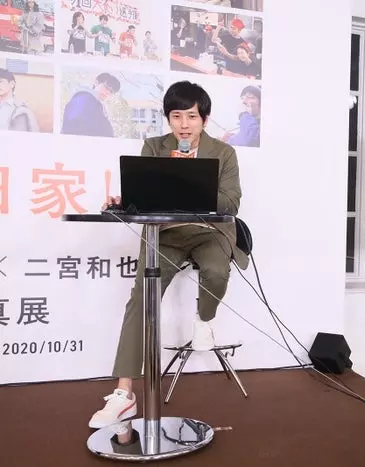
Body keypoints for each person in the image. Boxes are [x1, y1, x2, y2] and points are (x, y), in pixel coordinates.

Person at [88, 81, 245, 429]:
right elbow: (143, 196)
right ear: (168, 118)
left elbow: (231, 202)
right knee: (141, 300)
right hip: (166, 236)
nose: (184, 125)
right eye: (176, 117)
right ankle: (124, 393)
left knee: (216, 272)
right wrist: (124, 201)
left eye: (191, 117)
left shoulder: (223, 153)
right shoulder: (154, 147)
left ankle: (204, 319)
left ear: (204, 119)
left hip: (209, 233)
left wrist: (191, 183)